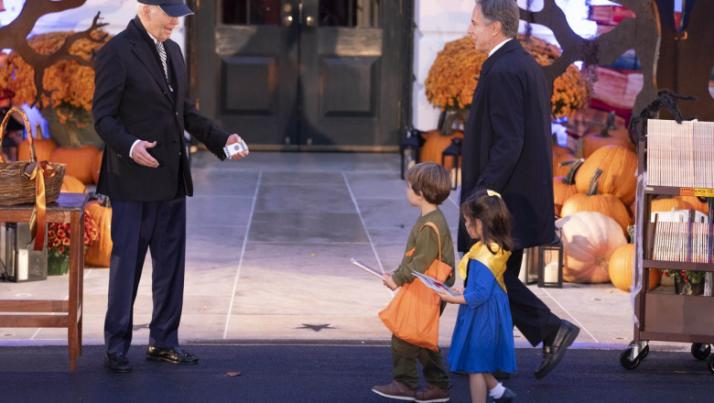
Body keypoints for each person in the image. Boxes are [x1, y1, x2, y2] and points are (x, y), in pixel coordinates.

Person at [92, 0, 248, 373]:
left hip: (171, 180)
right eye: (170, 13)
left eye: (179, 14)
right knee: (127, 267)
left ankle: (163, 341)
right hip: (132, 182)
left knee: (170, 268)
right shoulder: (116, 52)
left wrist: (221, 139)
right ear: (146, 8)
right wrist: (130, 145)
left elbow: (185, 113)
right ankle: (116, 346)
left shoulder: (173, 52)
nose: (176, 21)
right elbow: (103, 117)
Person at [458, 0, 580, 380]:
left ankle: (550, 330)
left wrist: (481, 193)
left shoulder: (505, 69)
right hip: (517, 197)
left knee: (488, 277)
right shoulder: (519, 63)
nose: (470, 30)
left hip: (505, 200)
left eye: (475, 23)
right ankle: (491, 362)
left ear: (495, 27)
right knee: (492, 279)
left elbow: (509, 142)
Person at [372, 162, 455, 403]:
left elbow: (419, 262)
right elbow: (415, 257)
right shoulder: (430, 218)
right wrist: (397, 273)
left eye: (409, 187)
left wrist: (397, 279)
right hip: (426, 289)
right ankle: (438, 386)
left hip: (425, 290)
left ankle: (405, 384)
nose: (406, 190)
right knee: (420, 337)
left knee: (404, 335)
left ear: (421, 193)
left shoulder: (430, 225)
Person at [438, 190, 517, 403]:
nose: (465, 225)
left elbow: (481, 294)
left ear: (480, 223)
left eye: (467, 220)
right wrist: (463, 291)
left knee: (475, 366)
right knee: (478, 360)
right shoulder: (489, 248)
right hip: (486, 312)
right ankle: (498, 391)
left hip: (483, 316)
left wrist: (450, 298)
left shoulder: (484, 255)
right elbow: (483, 286)